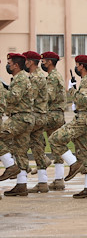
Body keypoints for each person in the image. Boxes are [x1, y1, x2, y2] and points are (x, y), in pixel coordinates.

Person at [50, 54, 87, 199]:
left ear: (82, 66)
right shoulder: (86, 80)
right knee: (85, 153)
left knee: (54, 139)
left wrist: (72, 90)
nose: (76, 68)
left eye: (77, 65)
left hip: (83, 120)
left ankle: (73, 163)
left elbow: (82, 100)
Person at [0, 53, 34, 196]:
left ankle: (10, 166)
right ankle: (21, 184)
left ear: (16, 65)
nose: (8, 65)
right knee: (20, 151)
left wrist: (1, 88)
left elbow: (14, 98)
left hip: (20, 118)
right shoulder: (19, 78)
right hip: (24, 118)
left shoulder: (20, 78)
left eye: (10, 63)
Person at [22, 51, 49, 194]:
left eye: (25, 61)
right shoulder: (36, 76)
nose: (24, 64)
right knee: (37, 147)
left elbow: (28, 97)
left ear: (30, 62)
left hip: (35, 116)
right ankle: (43, 182)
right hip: (39, 115)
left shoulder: (36, 78)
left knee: (18, 142)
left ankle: (21, 176)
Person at [40, 51, 67, 190]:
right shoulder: (57, 75)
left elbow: (48, 96)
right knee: (56, 146)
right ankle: (58, 179)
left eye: (43, 61)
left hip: (51, 115)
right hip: (58, 115)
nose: (42, 63)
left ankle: (43, 160)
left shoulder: (52, 77)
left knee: (33, 133)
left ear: (49, 62)